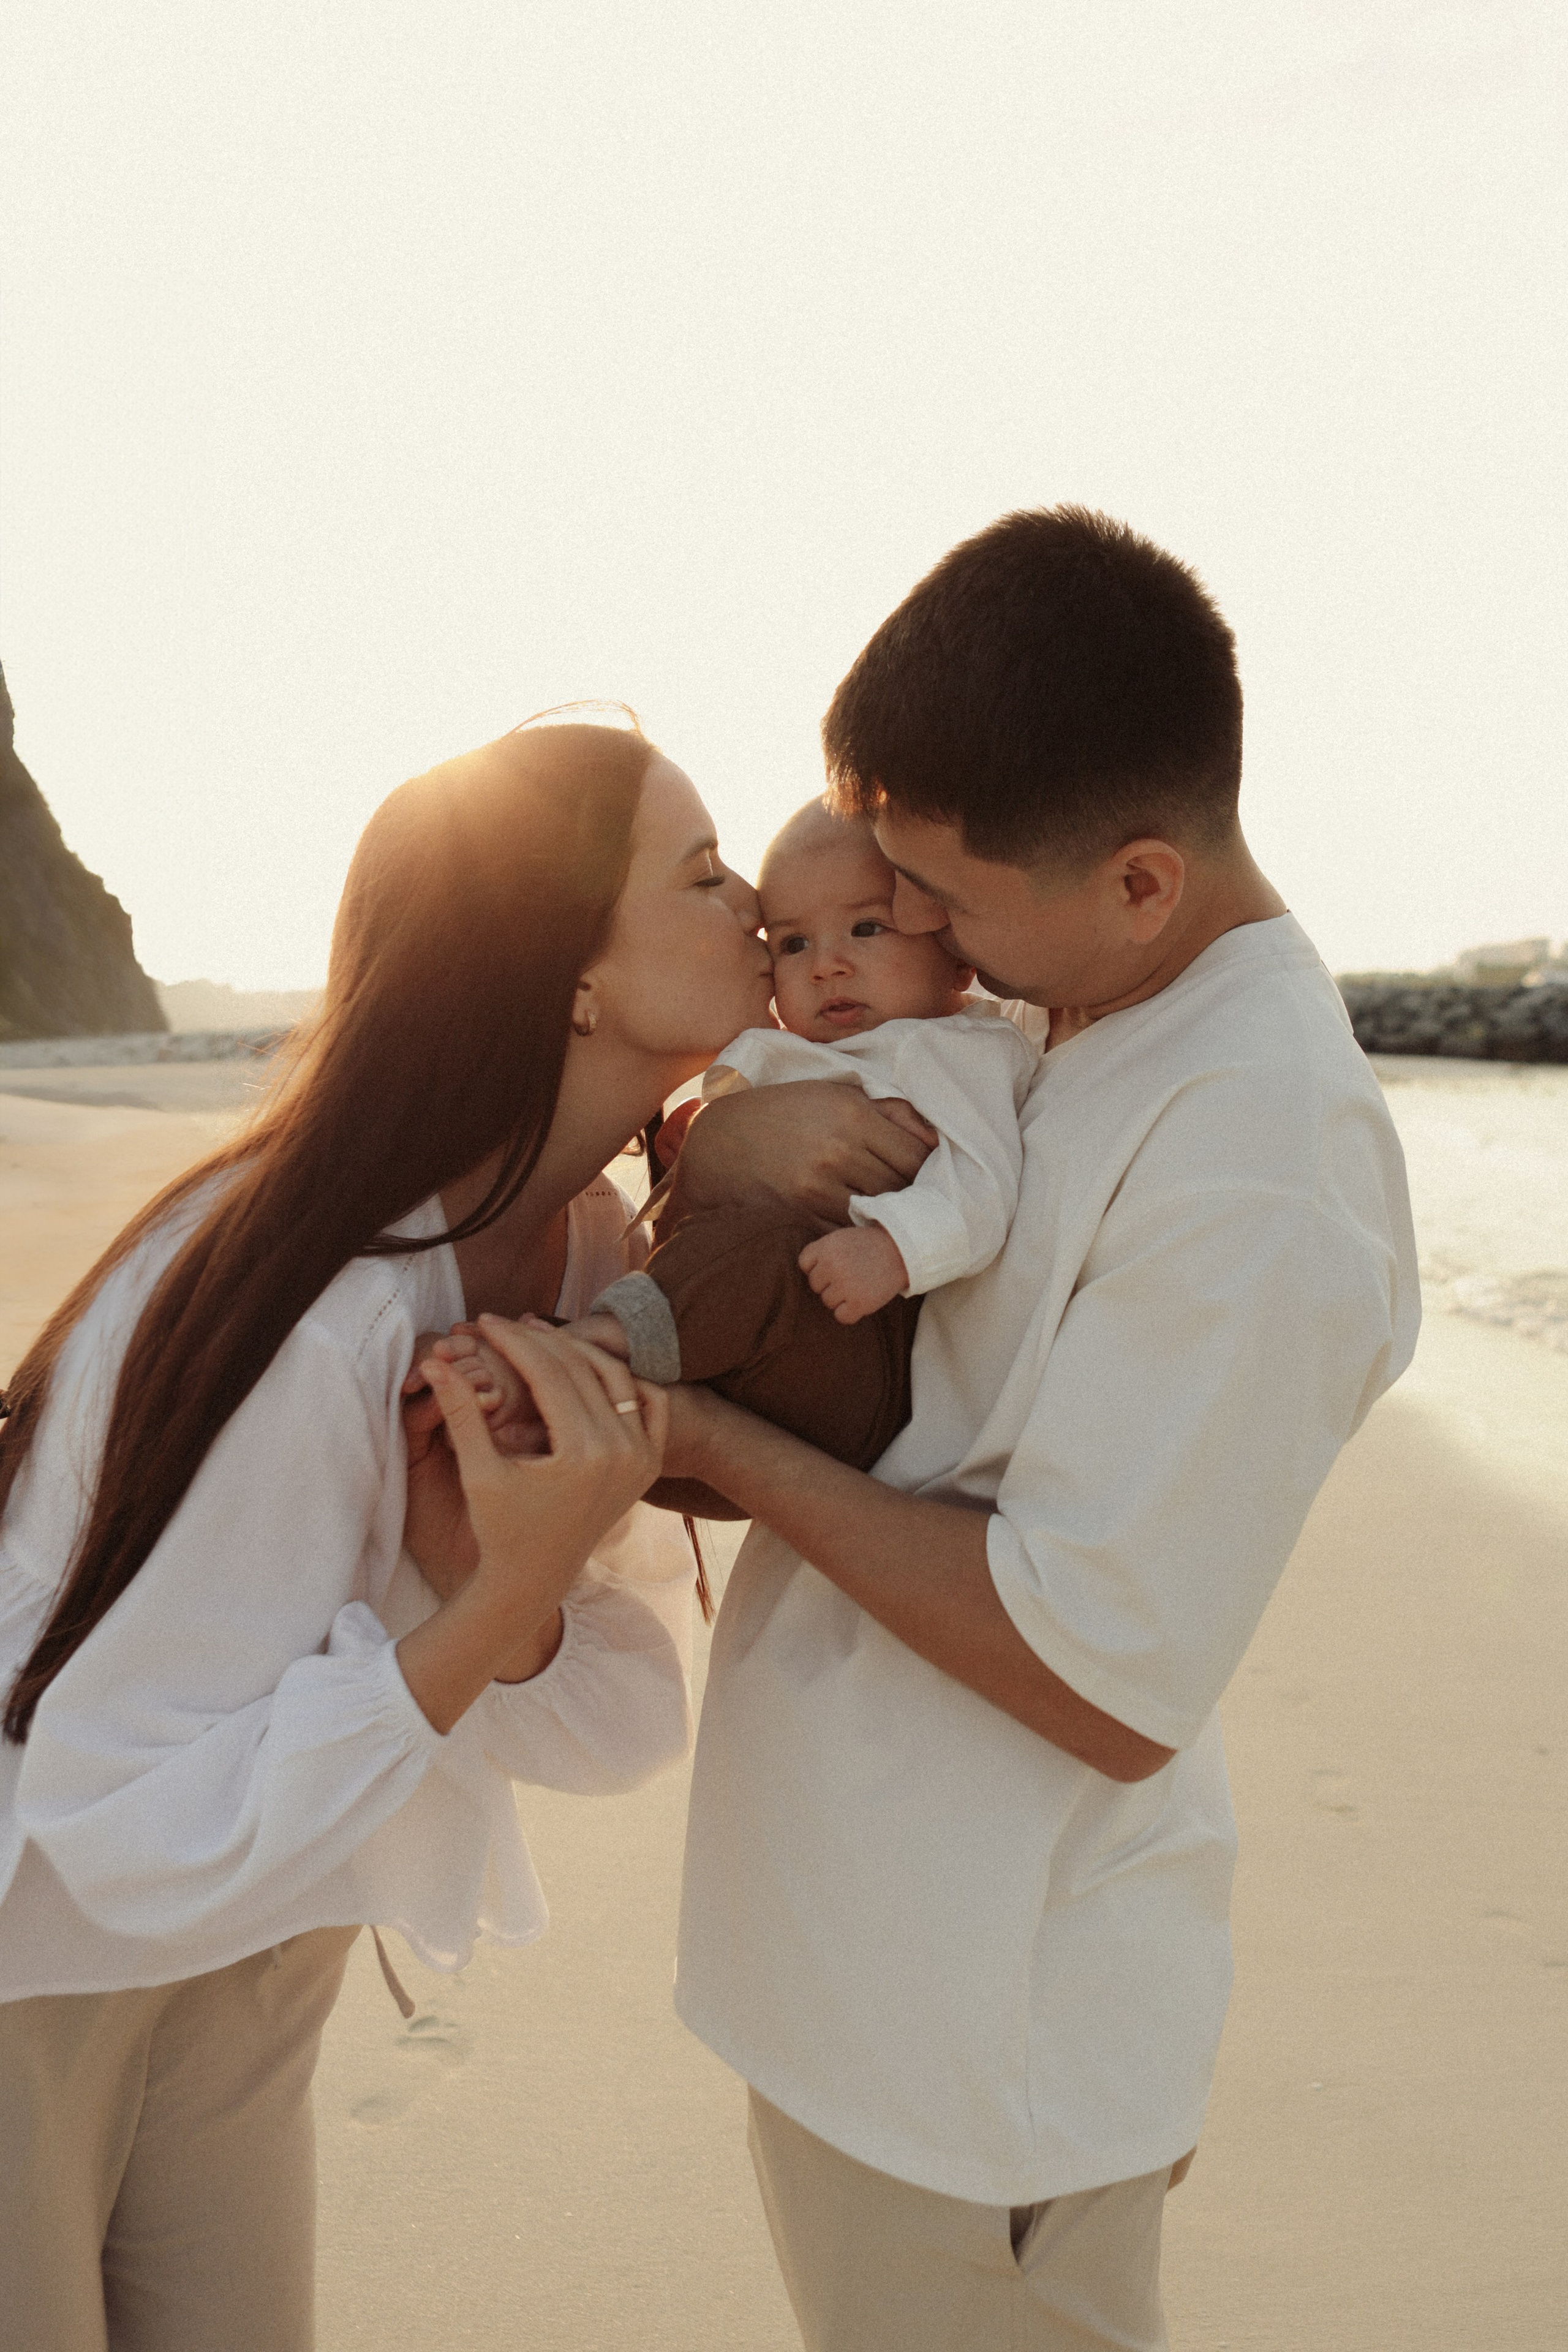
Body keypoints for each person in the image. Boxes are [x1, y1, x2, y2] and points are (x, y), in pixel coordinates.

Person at [649, 508, 1421, 2349]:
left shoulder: (1262, 1163)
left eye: (943, 899)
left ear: (1141, 878)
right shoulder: (1081, 998)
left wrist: (704, 1438)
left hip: (975, 2029)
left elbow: (1102, 1671)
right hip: (870, 1966)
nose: (907, 932)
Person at [0, 718, 776, 2352]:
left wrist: (515, 1598)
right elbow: (108, 1804)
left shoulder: (580, 1268)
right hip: (36, 1959)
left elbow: (626, 1715)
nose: (762, 904)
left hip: (261, 1926)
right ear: (568, 973)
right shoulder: (326, 1311)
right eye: (704, 875)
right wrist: (482, 1606)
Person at [427, 796, 1036, 1485]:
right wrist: (705, 1152)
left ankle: (589, 1345)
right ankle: (544, 1402)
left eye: (867, 928)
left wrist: (895, 1248)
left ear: (955, 956)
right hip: (722, 1387)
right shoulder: (797, 1053)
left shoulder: (956, 1050)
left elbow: (986, 1181)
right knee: (743, 1262)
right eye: (793, 943)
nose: (825, 965)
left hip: (852, 1369)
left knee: (767, 1254)